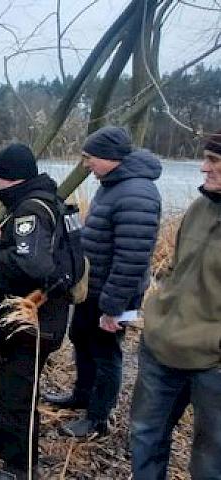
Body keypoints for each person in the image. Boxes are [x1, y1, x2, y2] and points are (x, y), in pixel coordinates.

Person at [44, 126, 162, 438]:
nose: (86, 164)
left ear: (110, 157)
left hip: (116, 294)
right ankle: (81, 396)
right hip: (93, 288)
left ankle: (97, 418)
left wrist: (113, 307)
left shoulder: (137, 194)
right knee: (81, 338)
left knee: (106, 352)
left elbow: (132, 258)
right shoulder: (112, 185)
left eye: (89, 158)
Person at [0, 143, 72, 480]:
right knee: (6, 381)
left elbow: (34, 267)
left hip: (33, 319)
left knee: (18, 391)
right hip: (29, 316)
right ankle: (3, 438)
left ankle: (20, 468)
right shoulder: (41, 200)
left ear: (9, 178)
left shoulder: (31, 210)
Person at [129, 131, 221, 480]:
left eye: (214, 160)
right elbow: (174, 268)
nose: (203, 168)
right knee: (144, 437)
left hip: (213, 364)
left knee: (211, 461)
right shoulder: (200, 207)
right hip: (161, 348)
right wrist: (156, 313)